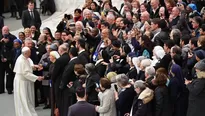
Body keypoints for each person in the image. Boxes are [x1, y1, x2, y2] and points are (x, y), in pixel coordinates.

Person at [13, 47, 44, 116]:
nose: (30, 54)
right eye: (29, 52)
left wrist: (35, 66)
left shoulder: (26, 58)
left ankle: (30, 111)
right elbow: (25, 73)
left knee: (29, 97)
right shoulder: (21, 60)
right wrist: (37, 78)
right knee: (24, 98)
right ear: (26, 53)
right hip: (22, 82)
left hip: (27, 81)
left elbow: (29, 64)